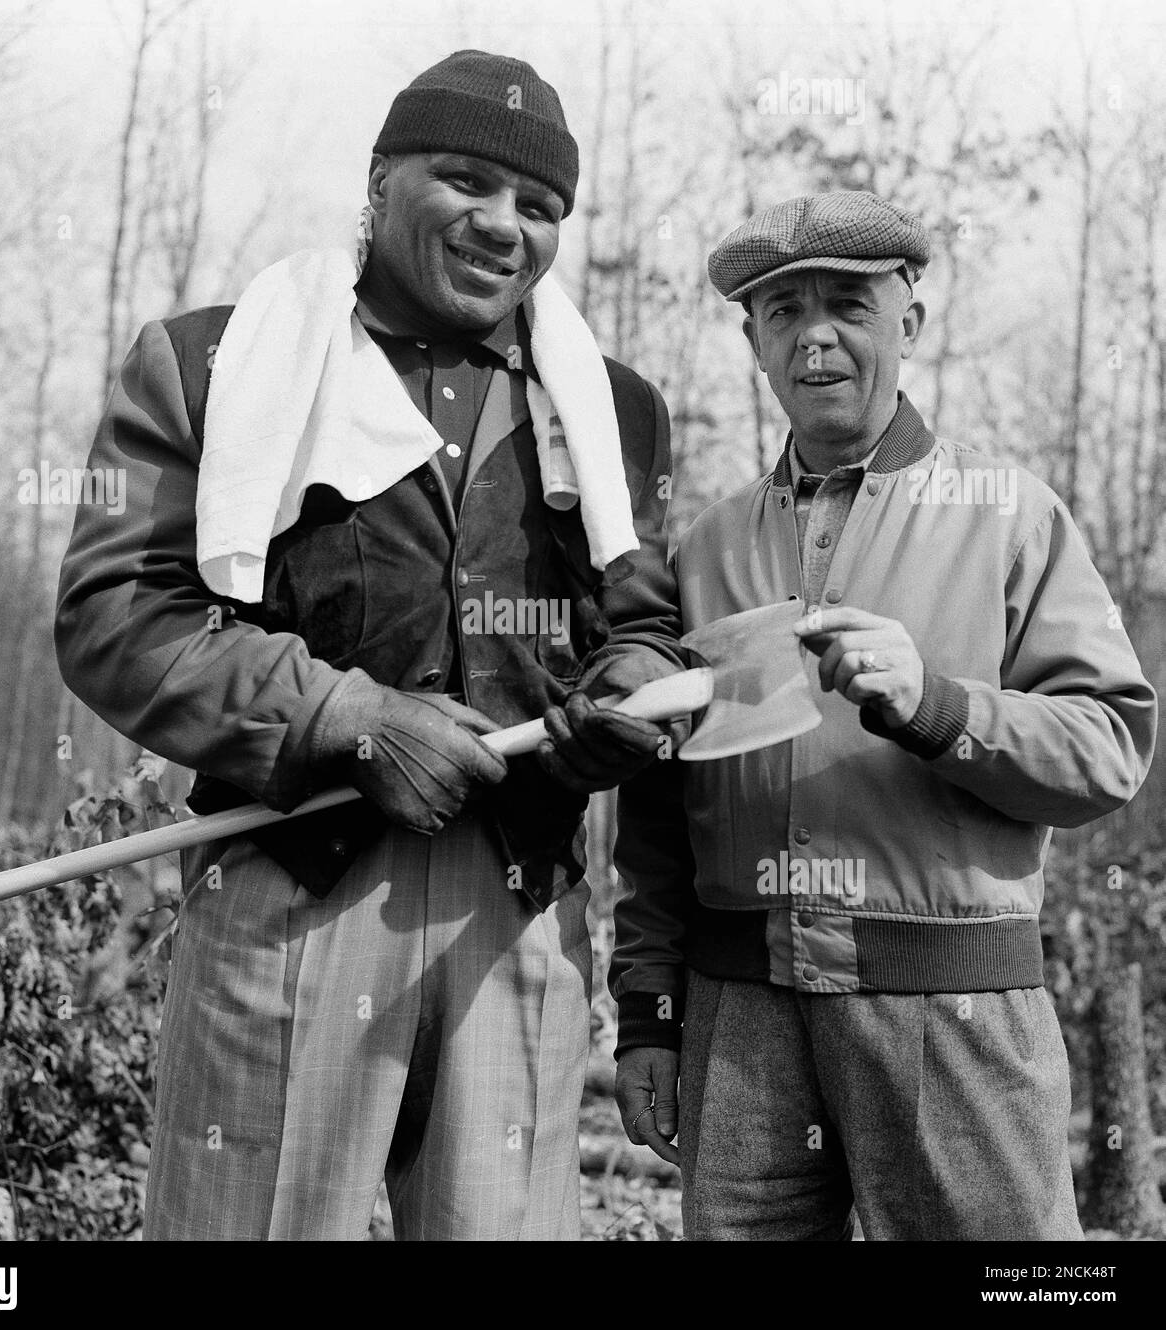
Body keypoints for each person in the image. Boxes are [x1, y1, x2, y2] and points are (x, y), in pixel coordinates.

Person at [56, 49, 684, 1241]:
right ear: (381, 180)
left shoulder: (613, 408)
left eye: (541, 208)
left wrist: (633, 698)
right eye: (465, 182)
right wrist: (348, 718)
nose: (506, 227)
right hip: (293, 881)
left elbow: (636, 622)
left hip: (521, 907)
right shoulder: (211, 362)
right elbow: (114, 615)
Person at [610, 190, 1158, 1240]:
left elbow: (1109, 749)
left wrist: (938, 706)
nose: (814, 334)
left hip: (952, 1016)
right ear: (753, 341)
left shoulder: (1011, 519)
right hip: (740, 1019)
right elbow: (655, 803)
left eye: (847, 305)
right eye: (784, 311)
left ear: (908, 322)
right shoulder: (705, 548)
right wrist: (649, 1008)